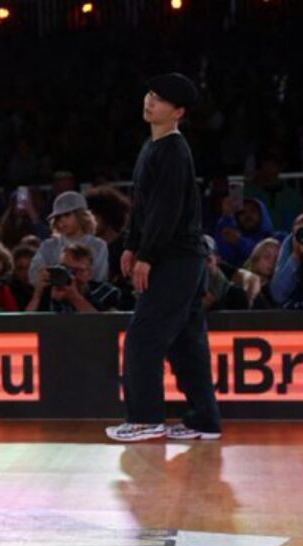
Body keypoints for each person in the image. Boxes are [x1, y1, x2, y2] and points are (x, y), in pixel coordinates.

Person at [106, 73, 221, 443]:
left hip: (176, 259)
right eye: (149, 93)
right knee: (185, 341)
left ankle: (145, 417)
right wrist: (129, 244)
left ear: (179, 112)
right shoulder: (153, 147)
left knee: (144, 337)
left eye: (160, 99)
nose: (149, 101)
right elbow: (143, 207)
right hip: (181, 259)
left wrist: (146, 256)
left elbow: (166, 212)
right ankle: (204, 419)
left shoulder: (173, 150)